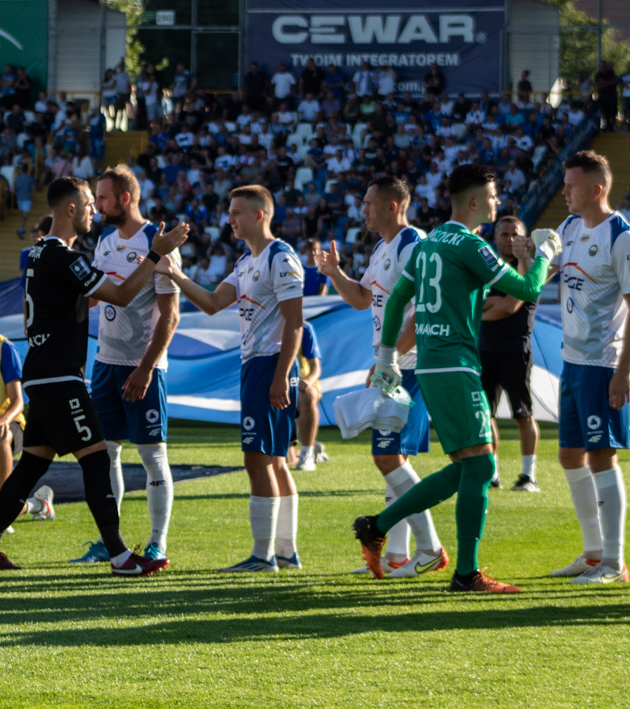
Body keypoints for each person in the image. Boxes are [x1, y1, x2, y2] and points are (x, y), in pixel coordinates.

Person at [350, 164, 557, 593]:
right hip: (455, 363)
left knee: (468, 465)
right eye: (493, 196)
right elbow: (527, 290)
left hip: (432, 363)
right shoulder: (469, 244)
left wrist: (387, 357)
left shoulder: (429, 243)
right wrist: (545, 254)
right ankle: (465, 573)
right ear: (475, 201)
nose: (497, 203)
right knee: (481, 465)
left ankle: (378, 526)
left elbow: (397, 300)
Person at [0, 176, 188, 574]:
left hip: (42, 372)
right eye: (88, 203)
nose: (93, 211)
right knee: (97, 458)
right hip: (59, 376)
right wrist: (155, 254)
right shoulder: (63, 256)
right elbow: (121, 296)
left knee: (32, 465)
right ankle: (120, 556)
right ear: (70, 209)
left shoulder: (39, 253)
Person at [157, 185, 305, 572]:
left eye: (237, 212)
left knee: (257, 460)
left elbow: (295, 323)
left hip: (270, 365)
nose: (229, 219)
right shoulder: (245, 262)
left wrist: (280, 376)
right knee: (274, 461)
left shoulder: (280, 257)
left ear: (259, 215)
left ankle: (263, 555)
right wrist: (175, 273)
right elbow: (211, 303)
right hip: (256, 365)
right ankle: (285, 552)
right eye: (229, 211)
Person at [318, 177, 446, 578]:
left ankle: (430, 549)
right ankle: (397, 555)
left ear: (392, 206)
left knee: (387, 456)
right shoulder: (381, 248)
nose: (363, 210)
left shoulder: (413, 244)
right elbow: (362, 299)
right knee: (395, 458)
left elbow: (424, 310)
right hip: (394, 366)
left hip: (409, 366)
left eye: (369, 203)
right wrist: (335, 273)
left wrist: (390, 356)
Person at [542, 150, 630, 585]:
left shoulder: (623, 237)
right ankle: (592, 553)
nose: (564, 192)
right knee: (570, 454)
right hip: (572, 360)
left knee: (602, 456)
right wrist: (529, 256)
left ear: (596, 189)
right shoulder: (569, 228)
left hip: (603, 363)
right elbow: (544, 275)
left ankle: (614, 562)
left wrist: (623, 371)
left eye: (571, 185)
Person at [70, 166, 181, 564]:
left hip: (143, 367)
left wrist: (146, 368)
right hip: (105, 364)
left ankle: (157, 543)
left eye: (102, 198)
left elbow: (170, 316)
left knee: (152, 455)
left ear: (125, 198)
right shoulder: (105, 241)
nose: (97, 206)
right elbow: (97, 297)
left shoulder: (158, 242)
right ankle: (110, 542)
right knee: (107, 455)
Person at [0, 285, 55, 521]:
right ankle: (38, 505)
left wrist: (2, 421)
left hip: (9, 425)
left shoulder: (3, 347)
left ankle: (2, 503)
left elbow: (18, 402)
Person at [479, 216, 540, 492]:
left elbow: (508, 306)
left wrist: (480, 312)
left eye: (515, 235)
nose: (509, 240)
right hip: (485, 348)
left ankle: (528, 476)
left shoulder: (530, 269)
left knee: (522, 414)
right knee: (485, 414)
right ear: (495, 238)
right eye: (504, 234)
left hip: (516, 350)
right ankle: (492, 473)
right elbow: (479, 302)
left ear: (525, 240)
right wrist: (494, 304)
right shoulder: (486, 269)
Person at [290, 321, 324, 472]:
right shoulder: (265, 325)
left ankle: (307, 453)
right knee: (285, 460)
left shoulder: (304, 328)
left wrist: (308, 381)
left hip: (298, 383)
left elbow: (316, 367)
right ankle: (307, 446)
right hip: (275, 383)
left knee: (308, 395)